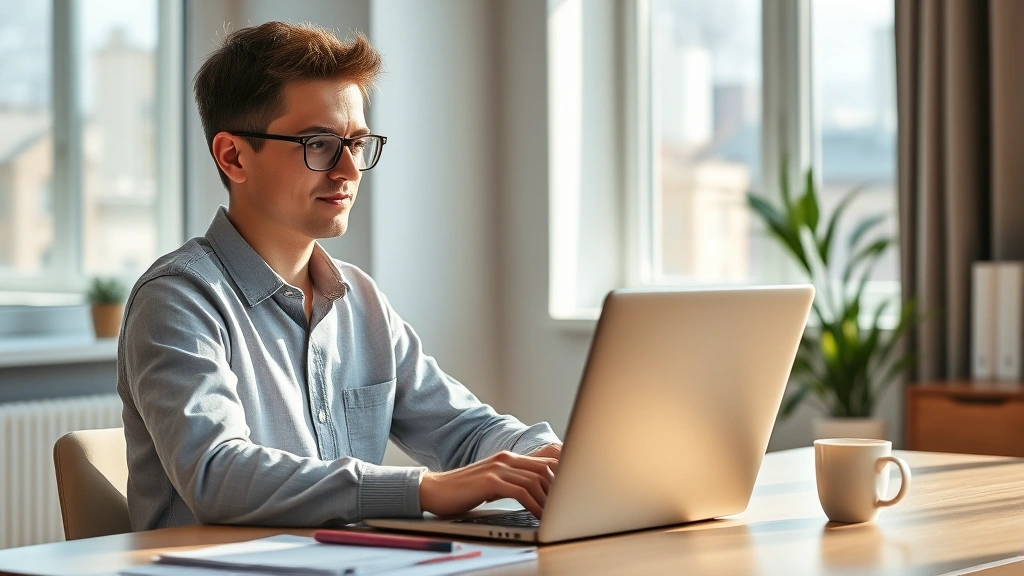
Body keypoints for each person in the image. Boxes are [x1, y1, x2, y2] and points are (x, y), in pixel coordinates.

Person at [117, 21, 561, 531]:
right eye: (320, 144)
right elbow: (217, 475)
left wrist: (546, 457)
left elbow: (462, 429)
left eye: (357, 143)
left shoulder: (359, 300)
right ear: (233, 156)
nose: (349, 170)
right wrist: (423, 489)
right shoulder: (178, 299)